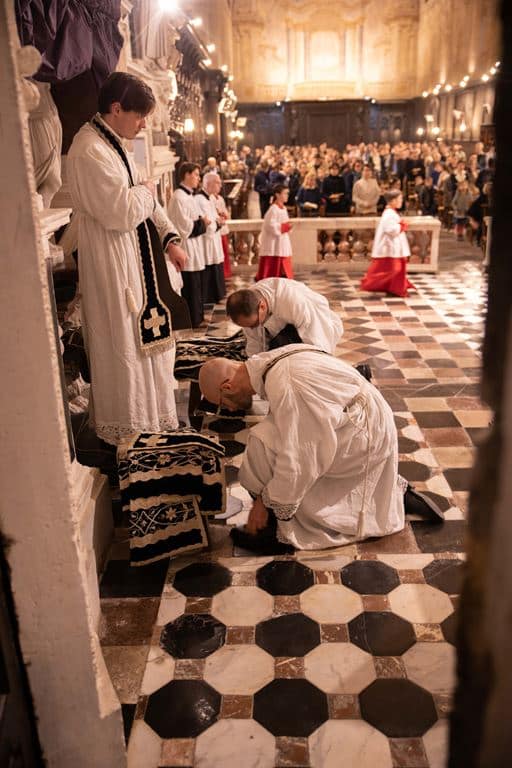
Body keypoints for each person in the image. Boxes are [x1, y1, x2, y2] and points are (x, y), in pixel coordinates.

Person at [198, 346, 444, 553]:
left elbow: (303, 458)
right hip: (372, 421)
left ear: (227, 387)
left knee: (260, 444)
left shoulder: (287, 383)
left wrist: (265, 502)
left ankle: (273, 531)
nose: (229, 410)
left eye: (222, 404)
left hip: (365, 436)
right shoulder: (276, 358)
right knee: (280, 434)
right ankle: (394, 493)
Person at [67, 72, 187, 445]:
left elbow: (146, 199)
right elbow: (122, 211)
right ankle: (129, 429)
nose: (144, 124)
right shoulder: (89, 149)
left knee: (142, 343)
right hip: (112, 263)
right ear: (116, 109)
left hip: (134, 262)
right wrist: (146, 191)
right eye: (140, 116)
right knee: (121, 343)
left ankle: (150, 419)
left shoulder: (114, 143)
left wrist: (170, 238)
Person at [226, 278, 343, 356]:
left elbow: (316, 343)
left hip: (316, 328)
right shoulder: (249, 303)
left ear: (262, 306)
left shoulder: (294, 303)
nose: (251, 329)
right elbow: (255, 344)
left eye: (254, 325)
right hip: (282, 331)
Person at [168, 163, 211, 326]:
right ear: (186, 175)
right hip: (186, 246)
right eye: (196, 175)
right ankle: (191, 320)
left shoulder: (189, 196)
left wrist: (202, 221)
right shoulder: (178, 197)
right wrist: (202, 223)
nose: (198, 178)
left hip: (195, 245)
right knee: (190, 285)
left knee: (197, 283)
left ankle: (198, 317)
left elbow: (196, 218)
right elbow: (184, 227)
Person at [360, 189, 414, 298]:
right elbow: (390, 229)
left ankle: (395, 288)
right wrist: (403, 225)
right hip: (389, 248)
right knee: (393, 270)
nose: (401, 201)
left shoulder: (392, 212)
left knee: (397, 270)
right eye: (400, 199)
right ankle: (392, 288)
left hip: (393, 248)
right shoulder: (388, 214)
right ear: (393, 200)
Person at [195, 172, 226, 303]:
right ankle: (209, 297)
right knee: (209, 265)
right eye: (217, 183)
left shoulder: (211, 198)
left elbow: (213, 218)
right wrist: (217, 223)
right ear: (208, 184)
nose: (220, 185)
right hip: (206, 241)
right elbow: (207, 224)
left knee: (215, 264)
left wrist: (218, 220)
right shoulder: (199, 199)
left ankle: (217, 295)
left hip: (214, 238)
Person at [255, 184, 294, 280]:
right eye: (285, 193)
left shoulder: (283, 208)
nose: (287, 196)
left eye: (287, 193)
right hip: (274, 243)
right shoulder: (273, 209)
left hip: (282, 240)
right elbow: (270, 225)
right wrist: (283, 227)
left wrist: (288, 226)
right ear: (277, 195)